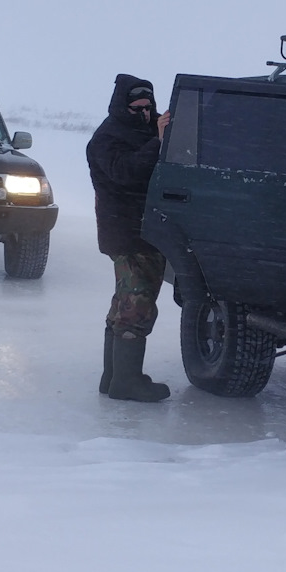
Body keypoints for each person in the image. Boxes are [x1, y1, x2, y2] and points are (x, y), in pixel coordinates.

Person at [86, 75, 172, 402]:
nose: (146, 112)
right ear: (124, 105)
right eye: (138, 107)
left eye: (149, 107)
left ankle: (114, 377)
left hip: (139, 230)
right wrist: (159, 142)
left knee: (124, 302)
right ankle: (126, 381)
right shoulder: (107, 138)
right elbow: (126, 171)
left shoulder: (142, 130)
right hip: (128, 233)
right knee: (136, 305)